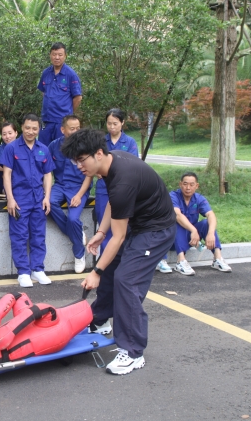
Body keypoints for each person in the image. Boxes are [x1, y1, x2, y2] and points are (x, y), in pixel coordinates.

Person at [61, 129, 176, 376]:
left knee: (126, 280)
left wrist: (96, 271)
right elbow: (114, 203)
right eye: (75, 161)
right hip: (139, 224)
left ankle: (133, 352)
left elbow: (120, 236)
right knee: (113, 269)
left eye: (81, 160)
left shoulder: (123, 179)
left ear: (98, 154)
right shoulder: (111, 163)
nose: (78, 166)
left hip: (156, 231)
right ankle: (100, 319)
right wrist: (102, 232)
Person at [0, 114, 55, 288]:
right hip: (19, 199)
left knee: (39, 235)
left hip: (38, 199)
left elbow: (48, 175)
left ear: (39, 129)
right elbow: (6, 174)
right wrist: (10, 198)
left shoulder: (43, 149)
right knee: (19, 236)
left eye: (34, 128)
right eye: (27, 128)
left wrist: (47, 197)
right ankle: (23, 272)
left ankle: (37, 269)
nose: (31, 131)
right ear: (22, 128)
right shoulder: (11, 148)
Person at [161, 172, 232, 276]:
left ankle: (218, 259)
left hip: (191, 238)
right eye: (185, 184)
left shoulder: (199, 198)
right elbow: (178, 215)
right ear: (180, 184)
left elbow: (211, 215)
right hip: (173, 239)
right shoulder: (173, 196)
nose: (188, 188)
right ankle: (181, 261)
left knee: (206, 223)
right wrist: (193, 230)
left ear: (197, 186)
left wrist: (210, 233)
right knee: (177, 222)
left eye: (191, 184)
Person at [48, 115, 91, 274]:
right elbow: (47, 170)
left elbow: (90, 175)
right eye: (72, 129)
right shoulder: (54, 146)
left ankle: (79, 254)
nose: (76, 131)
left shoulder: (86, 147)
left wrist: (79, 195)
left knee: (73, 219)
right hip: (60, 185)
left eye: (78, 128)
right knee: (48, 202)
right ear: (63, 130)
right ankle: (77, 233)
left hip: (79, 187)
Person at [95, 108, 139, 255]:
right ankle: (106, 261)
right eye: (109, 124)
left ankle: (123, 259)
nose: (112, 127)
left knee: (123, 227)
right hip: (103, 188)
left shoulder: (130, 142)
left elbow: (133, 165)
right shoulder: (100, 141)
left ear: (122, 123)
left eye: (115, 123)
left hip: (123, 189)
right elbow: (94, 162)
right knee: (104, 227)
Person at [37, 42, 82, 146]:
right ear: (50, 55)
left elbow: (78, 97)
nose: (57, 57)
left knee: (60, 149)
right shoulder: (46, 73)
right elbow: (43, 92)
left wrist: (68, 112)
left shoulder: (71, 74)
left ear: (65, 56)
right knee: (43, 150)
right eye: (54, 54)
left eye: (60, 55)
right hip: (46, 120)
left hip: (61, 121)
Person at [0, 122, 18, 194]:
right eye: (4, 134)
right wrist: (10, 170)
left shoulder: (23, 148)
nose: (7, 136)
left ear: (16, 133)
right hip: (2, 184)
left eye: (10, 133)